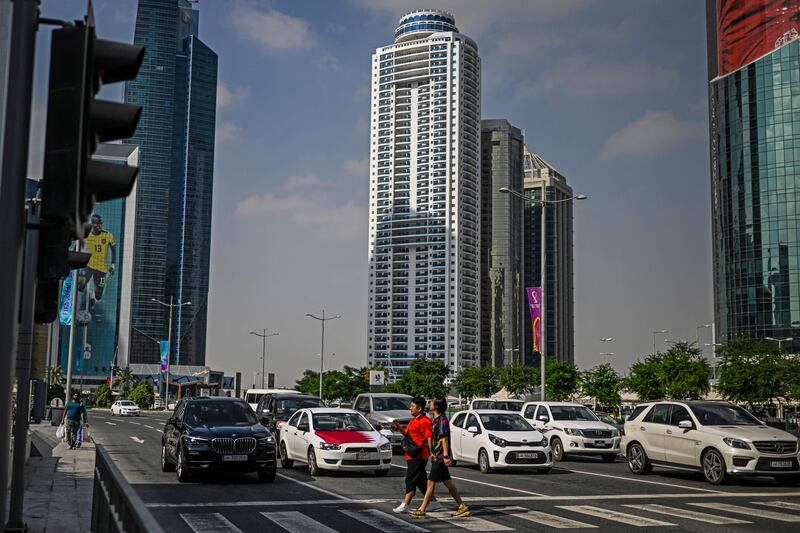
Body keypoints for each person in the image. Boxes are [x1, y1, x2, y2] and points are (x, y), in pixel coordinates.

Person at [410, 397, 469, 519]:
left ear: (436, 406)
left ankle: (422, 509)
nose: (429, 403)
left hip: (440, 457)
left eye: (431, 402)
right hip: (437, 455)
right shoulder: (436, 419)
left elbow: (444, 439)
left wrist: (446, 455)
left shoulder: (442, 420)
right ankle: (462, 506)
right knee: (448, 483)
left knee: (431, 483)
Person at [391, 396, 441, 513]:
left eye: (413, 406)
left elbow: (429, 438)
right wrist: (399, 427)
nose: (410, 408)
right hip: (411, 454)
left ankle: (405, 504)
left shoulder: (425, 421)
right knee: (421, 480)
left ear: (419, 408)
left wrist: (432, 452)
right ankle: (434, 502)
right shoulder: (413, 420)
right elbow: (407, 434)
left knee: (410, 479)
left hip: (419, 455)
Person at [78, 214, 116, 306]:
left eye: (100, 224)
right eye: (97, 224)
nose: (100, 226)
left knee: (99, 295)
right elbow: (77, 247)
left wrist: (112, 266)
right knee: (81, 285)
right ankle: (80, 301)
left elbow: (114, 251)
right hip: (88, 265)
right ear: (92, 224)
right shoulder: (86, 235)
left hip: (102, 269)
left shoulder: (108, 235)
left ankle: (93, 296)